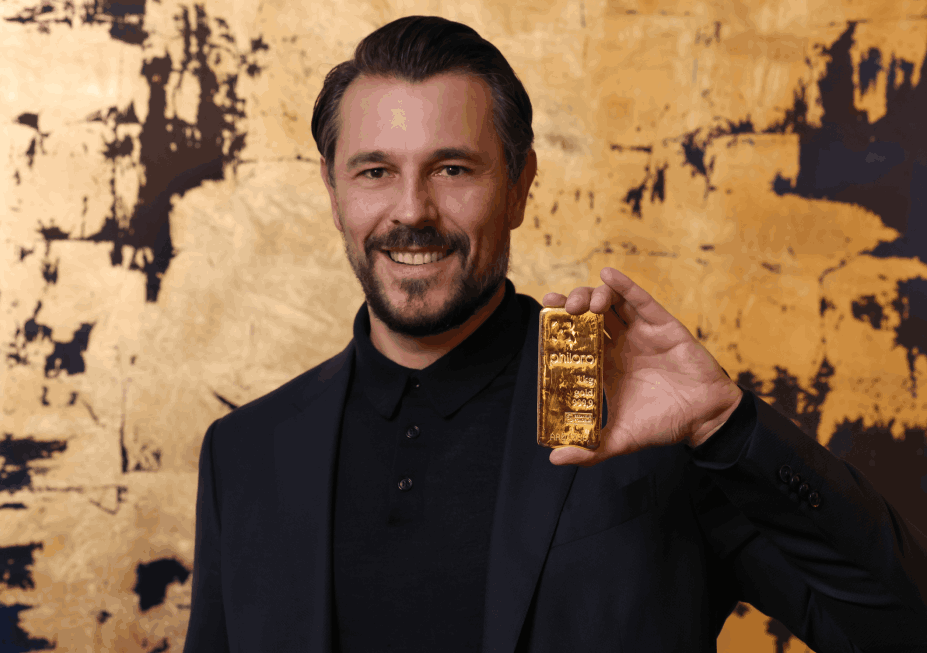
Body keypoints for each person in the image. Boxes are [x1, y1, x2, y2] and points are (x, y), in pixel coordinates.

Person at [183, 15, 927, 652]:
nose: (412, 210)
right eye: (375, 170)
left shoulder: (649, 414)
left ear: (520, 185)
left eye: (452, 168)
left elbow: (902, 627)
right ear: (333, 189)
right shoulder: (244, 454)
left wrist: (728, 430)